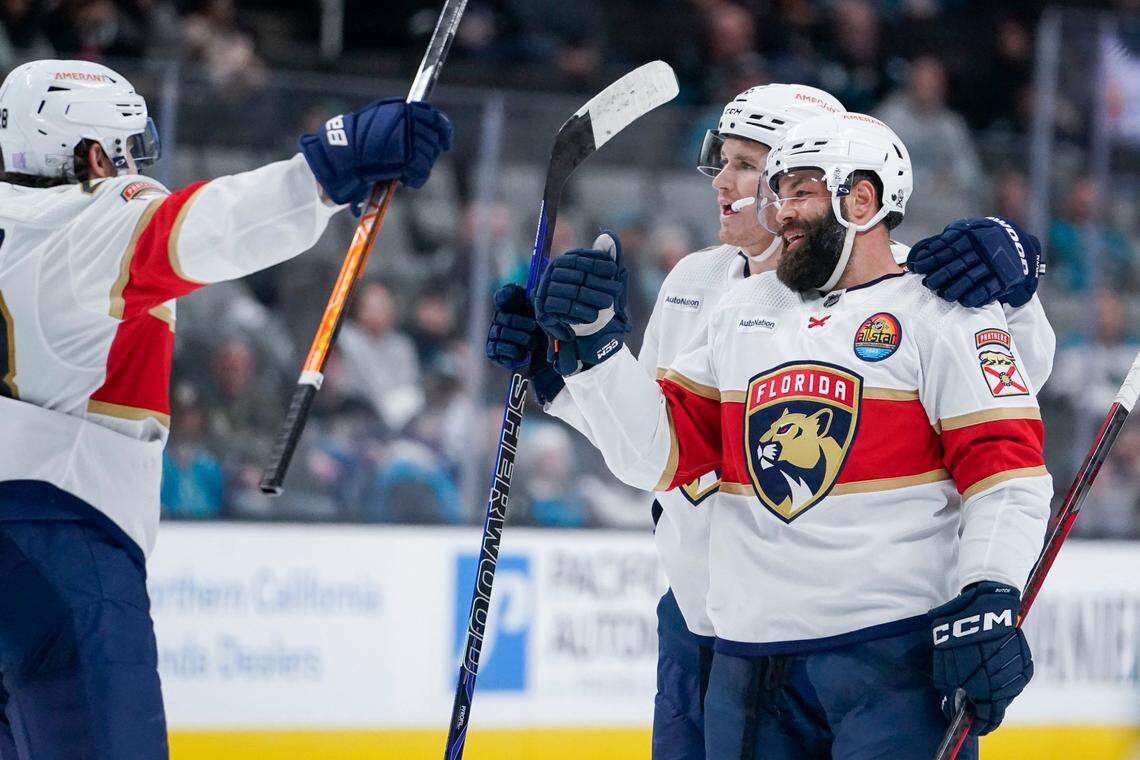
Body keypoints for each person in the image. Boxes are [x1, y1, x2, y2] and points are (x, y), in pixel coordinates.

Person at [486, 86, 1054, 757]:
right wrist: (582, 360)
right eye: (768, 183)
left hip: (883, 646)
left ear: (860, 196)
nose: (765, 202)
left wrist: (988, 589)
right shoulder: (719, 297)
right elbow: (658, 448)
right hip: (728, 638)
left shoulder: (932, 299)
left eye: (785, 182)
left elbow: (1005, 447)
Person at [0, 59, 451, 759]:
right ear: (91, 153)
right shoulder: (83, 218)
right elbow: (209, 225)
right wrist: (328, 167)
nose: (135, 169)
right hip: (61, 535)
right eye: (125, 151)